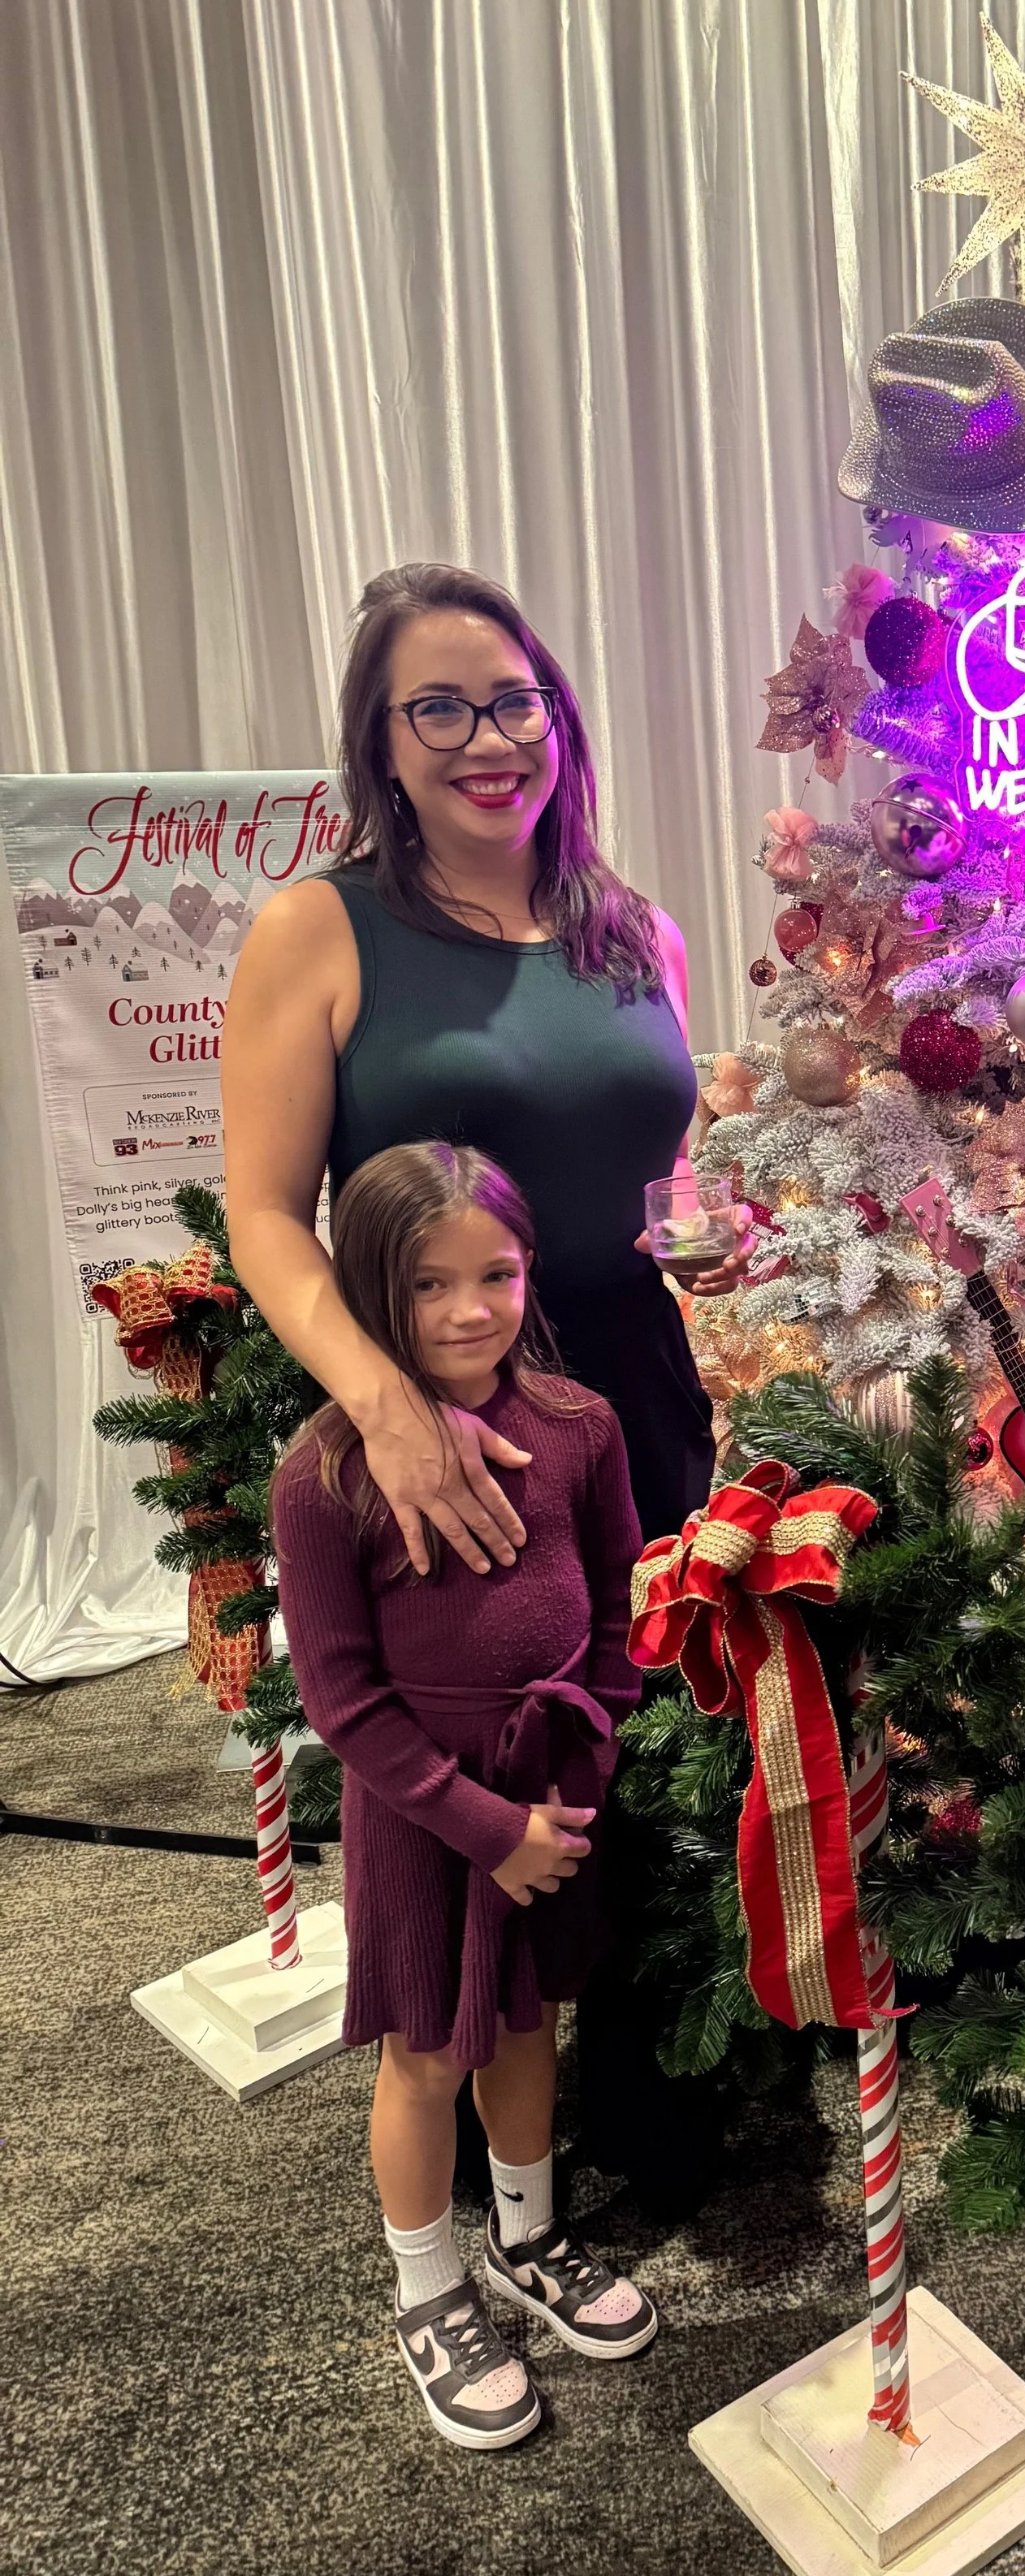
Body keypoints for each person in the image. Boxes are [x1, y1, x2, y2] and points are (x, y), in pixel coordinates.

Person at [223, 560, 743, 2198]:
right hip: (441, 1400)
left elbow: (658, 1171)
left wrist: (719, 1250)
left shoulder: (633, 924)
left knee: (647, 1731)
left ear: (557, 719)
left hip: (637, 1390)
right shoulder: (322, 926)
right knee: (478, 1775)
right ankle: (465, 2160)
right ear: (382, 743)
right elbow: (260, 1213)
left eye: (510, 700)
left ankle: (651, 2108)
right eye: (435, 708)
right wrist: (386, 1409)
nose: (482, 737)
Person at [271, 1143, 658, 2451]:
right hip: (426, 1810)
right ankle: (429, 2292)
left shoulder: (581, 1427)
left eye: (496, 1274)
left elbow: (617, 1605)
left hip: (552, 1798)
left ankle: (529, 2236)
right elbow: (341, 1701)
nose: (469, 1310)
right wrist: (485, 1827)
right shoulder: (322, 1475)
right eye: (430, 1285)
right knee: (428, 2052)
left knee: (534, 2018)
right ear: (375, 1292)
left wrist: (585, 1758)